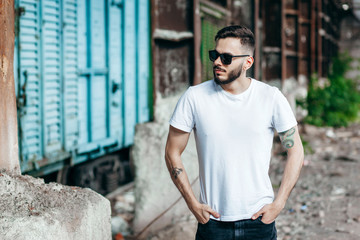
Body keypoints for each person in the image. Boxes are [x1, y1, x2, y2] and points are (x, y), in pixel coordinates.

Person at [164, 25, 304, 240]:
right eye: (215, 55)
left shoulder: (270, 98)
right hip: (212, 223)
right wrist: (192, 203)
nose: (218, 62)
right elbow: (172, 151)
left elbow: (295, 151)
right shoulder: (194, 98)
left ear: (248, 62)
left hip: (259, 221)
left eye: (227, 58)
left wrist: (279, 203)